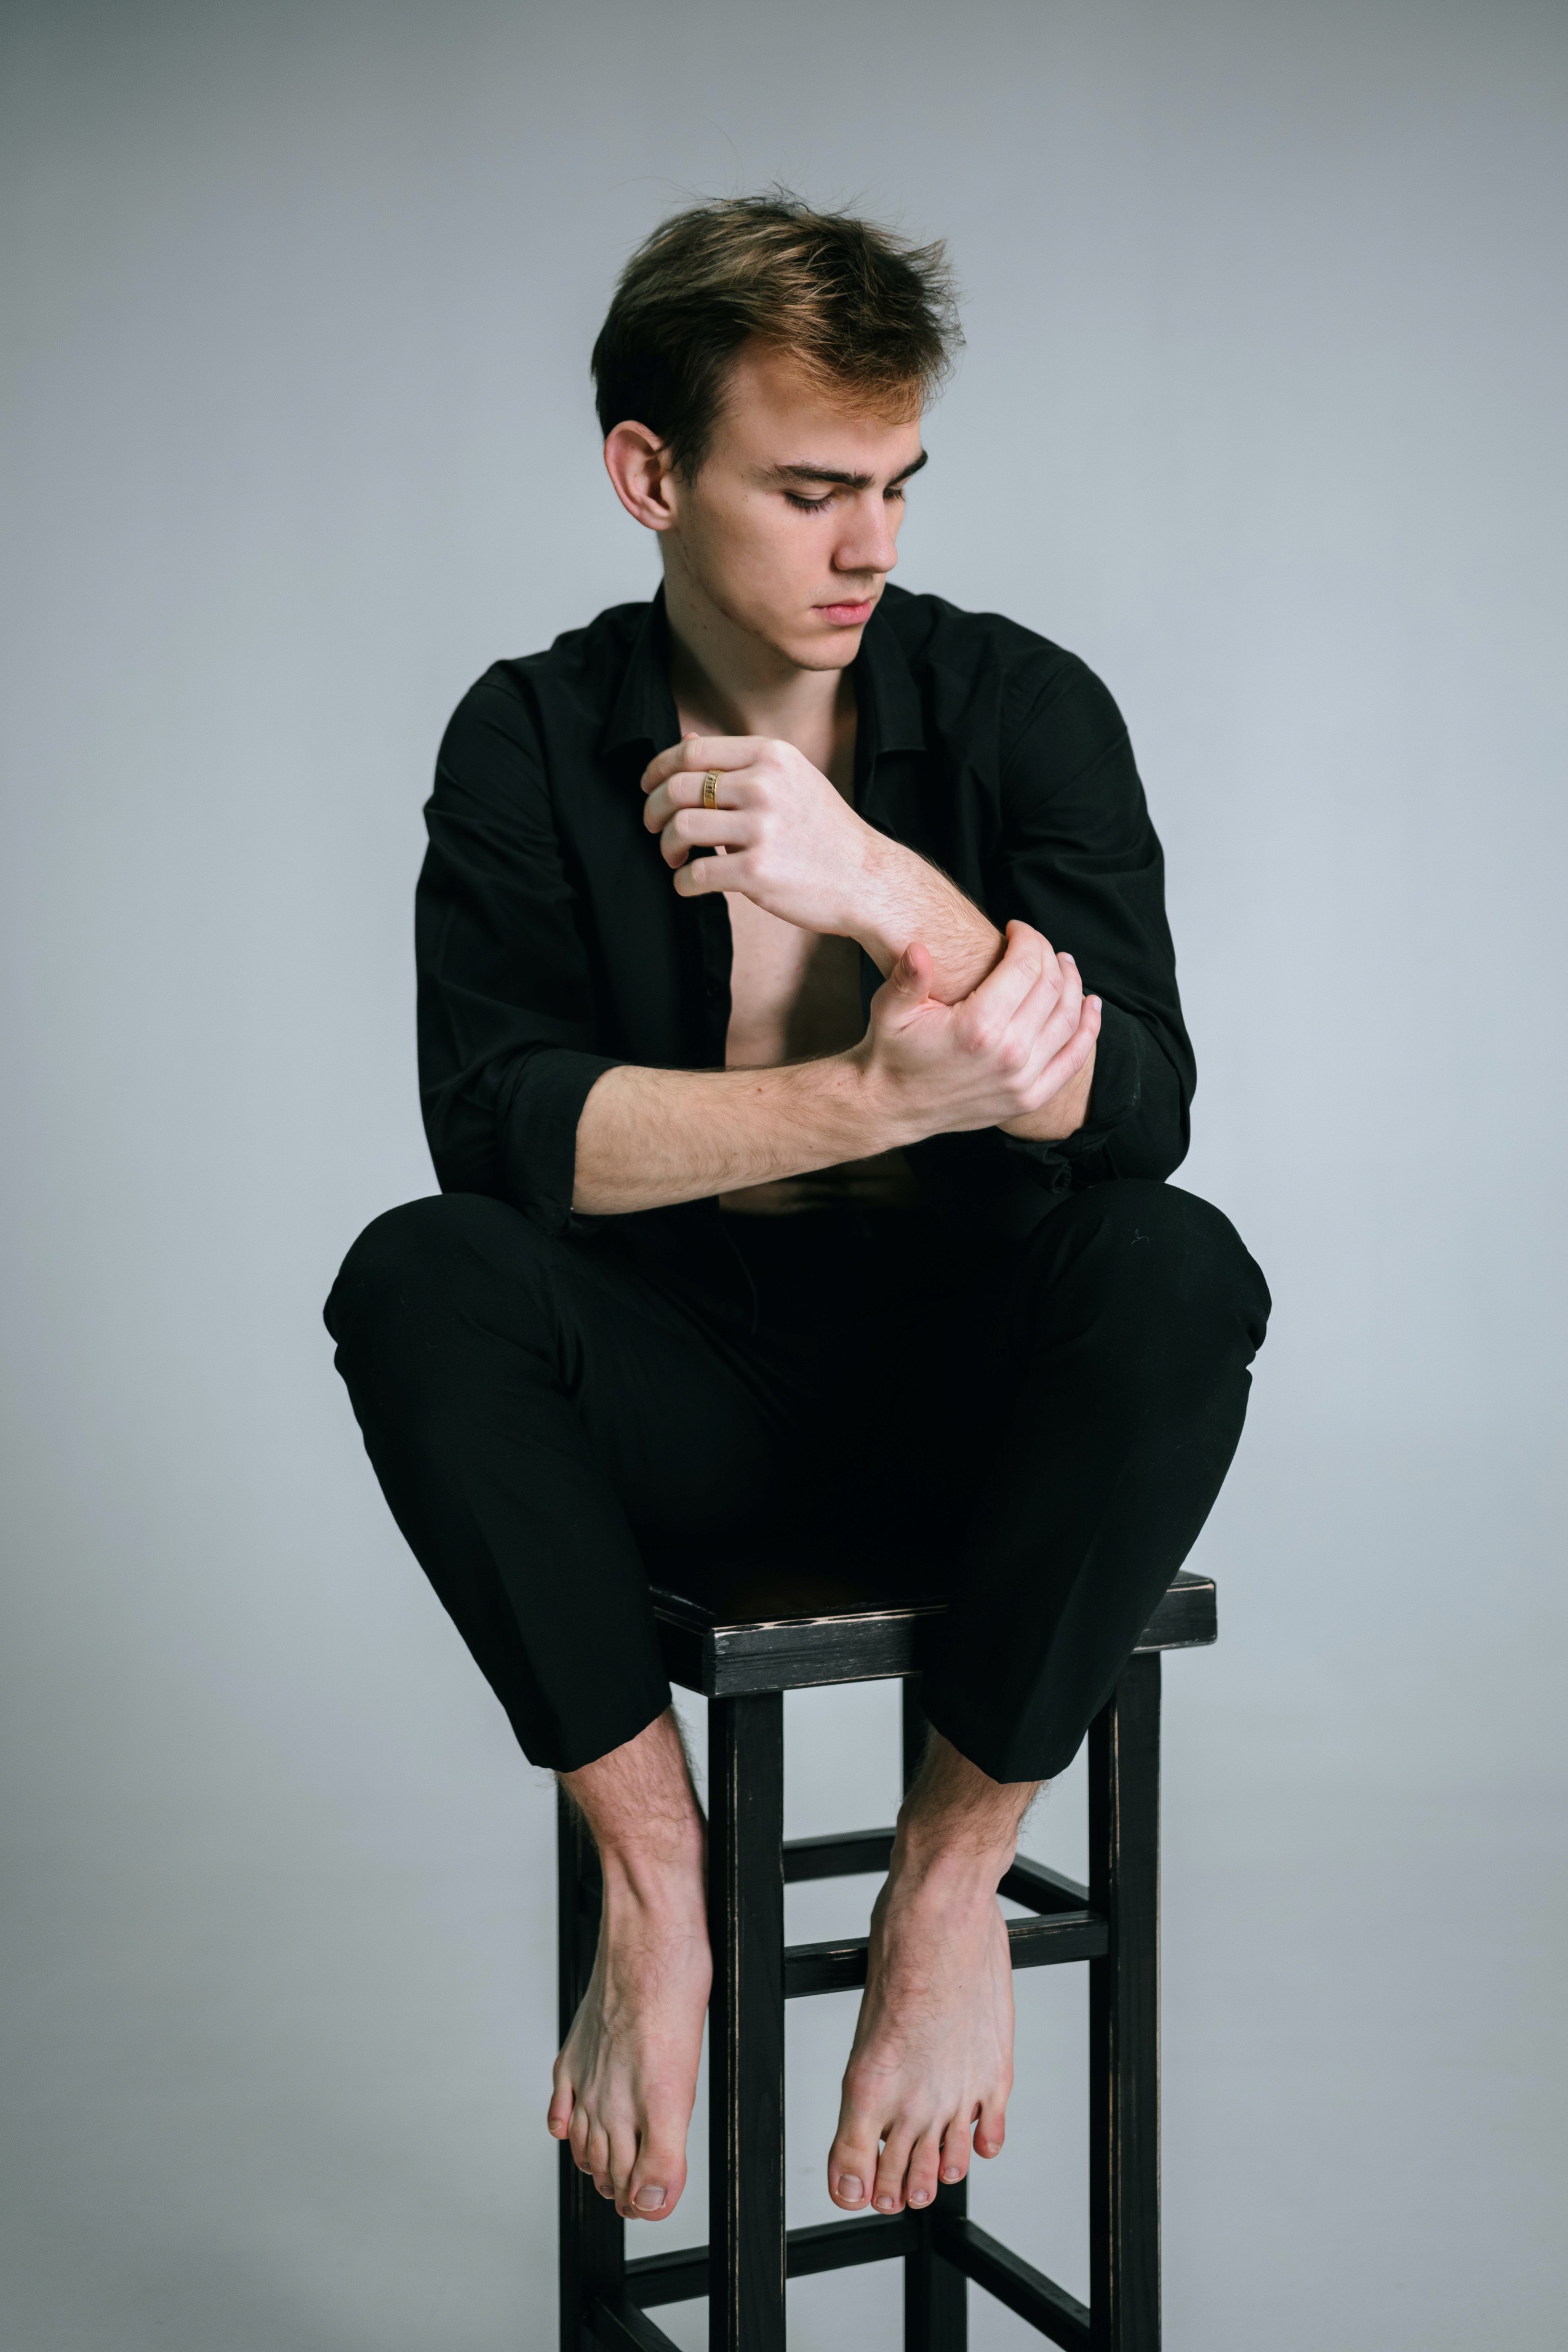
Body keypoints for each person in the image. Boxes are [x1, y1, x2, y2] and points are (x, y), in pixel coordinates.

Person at [324, 193, 1270, 2234]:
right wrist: (858, 1092)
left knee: (1177, 1271)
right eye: (811, 488)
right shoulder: (526, 735)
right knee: (418, 1281)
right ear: (648, 476)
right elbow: (497, 1138)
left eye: (899, 488)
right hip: (676, 1409)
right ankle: (657, 1897)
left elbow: (1148, 1115)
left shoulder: (1020, 709)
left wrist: (889, 894)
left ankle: (945, 1904)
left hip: (970, 1401)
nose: (872, 548)